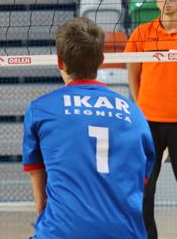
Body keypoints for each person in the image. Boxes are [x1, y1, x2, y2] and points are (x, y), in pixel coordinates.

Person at [23, 17, 154, 238]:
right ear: (101, 60)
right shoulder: (135, 113)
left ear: (60, 62)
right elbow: (139, 182)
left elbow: (40, 199)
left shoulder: (40, 109)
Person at [125, 0, 177, 238]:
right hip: (149, 123)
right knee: (145, 188)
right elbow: (133, 73)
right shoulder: (142, 33)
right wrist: (142, 106)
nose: (167, 1)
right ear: (157, 2)